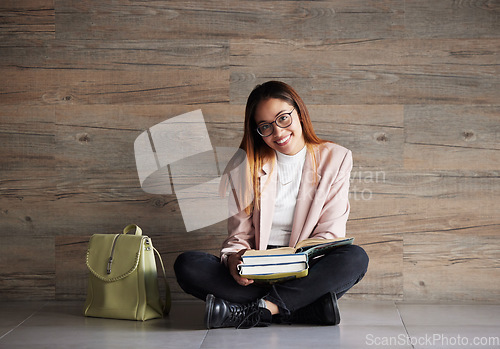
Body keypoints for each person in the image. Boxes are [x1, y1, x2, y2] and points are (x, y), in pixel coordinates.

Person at [174, 81, 369, 329]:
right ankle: (302, 309)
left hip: (307, 270)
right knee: (188, 264)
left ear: (299, 113)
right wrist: (234, 260)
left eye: (283, 118)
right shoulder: (242, 165)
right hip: (257, 271)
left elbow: (329, 234)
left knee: (354, 258)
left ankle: (258, 310)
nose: (278, 132)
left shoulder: (336, 158)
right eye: (265, 126)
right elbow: (238, 237)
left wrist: (296, 262)